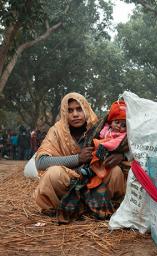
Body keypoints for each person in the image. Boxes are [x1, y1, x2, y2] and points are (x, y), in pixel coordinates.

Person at [33, 92, 126, 221]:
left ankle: (108, 208)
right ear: (64, 113)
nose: (75, 114)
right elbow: (41, 162)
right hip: (69, 182)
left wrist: (122, 156)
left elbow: (130, 148)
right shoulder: (56, 131)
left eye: (79, 109)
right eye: (70, 110)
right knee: (53, 173)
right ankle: (61, 208)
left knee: (116, 172)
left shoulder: (101, 127)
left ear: (86, 109)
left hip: (97, 181)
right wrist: (77, 159)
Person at [82, 99, 128, 189]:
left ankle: (95, 169)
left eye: (123, 125)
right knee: (94, 157)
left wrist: (104, 144)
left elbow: (117, 143)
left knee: (107, 165)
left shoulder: (122, 135)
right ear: (111, 122)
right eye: (117, 122)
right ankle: (91, 169)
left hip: (108, 151)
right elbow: (100, 134)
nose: (119, 126)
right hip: (99, 148)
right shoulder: (104, 127)